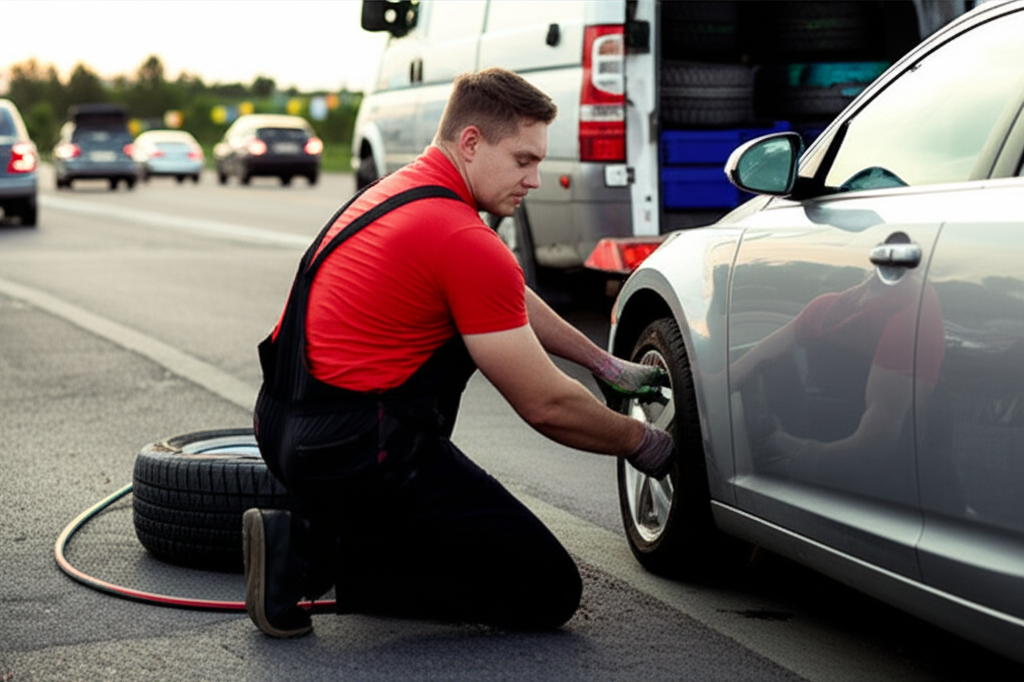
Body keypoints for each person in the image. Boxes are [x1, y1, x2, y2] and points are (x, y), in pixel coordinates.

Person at [246, 67, 674, 639]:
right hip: (361, 450)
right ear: (471, 142)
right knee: (547, 589)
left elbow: (506, 294)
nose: (536, 179)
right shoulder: (462, 239)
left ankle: (331, 527)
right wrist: (643, 443)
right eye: (524, 160)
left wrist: (601, 362)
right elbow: (545, 405)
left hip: (285, 427)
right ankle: (309, 554)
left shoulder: (398, 194)